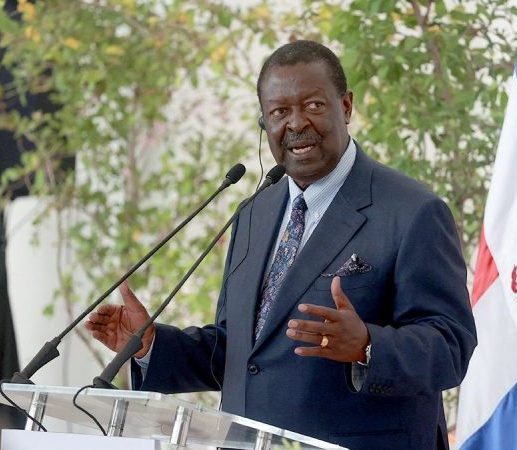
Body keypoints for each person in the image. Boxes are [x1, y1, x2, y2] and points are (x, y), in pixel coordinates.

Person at [85, 40, 476, 450]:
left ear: (346, 106)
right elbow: (241, 352)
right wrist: (151, 346)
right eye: (279, 112)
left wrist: (367, 346)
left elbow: (451, 346)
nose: (296, 123)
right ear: (264, 123)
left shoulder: (413, 211)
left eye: (314, 105)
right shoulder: (255, 212)